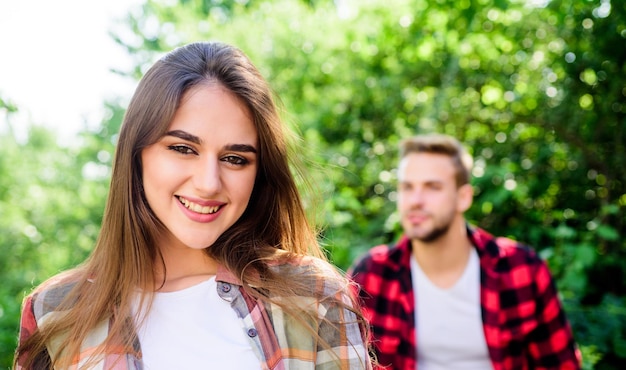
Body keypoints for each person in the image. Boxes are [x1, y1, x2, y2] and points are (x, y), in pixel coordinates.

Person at [14, 41, 372, 369]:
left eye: (235, 158)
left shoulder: (313, 297)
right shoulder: (56, 311)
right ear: (137, 155)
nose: (208, 182)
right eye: (183, 149)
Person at [348, 133, 581, 369]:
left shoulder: (522, 269)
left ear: (463, 197)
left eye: (432, 187)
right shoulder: (371, 275)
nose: (415, 200)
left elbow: (561, 364)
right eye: (407, 187)